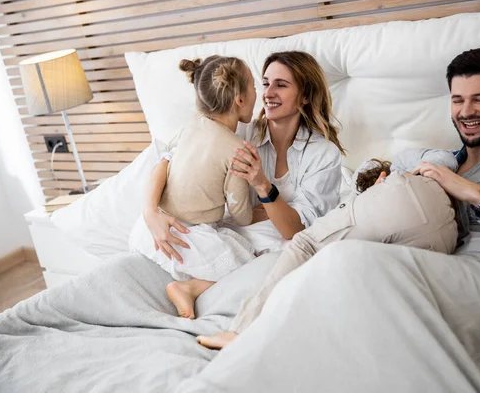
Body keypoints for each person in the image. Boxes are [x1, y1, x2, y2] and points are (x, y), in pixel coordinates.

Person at [195, 48, 480, 388]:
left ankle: (241, 346)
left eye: (479, 99)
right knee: (340, 271)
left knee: (332, 257)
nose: (466, 111)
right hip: (441, 258)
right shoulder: (447, 160)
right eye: (457, 100)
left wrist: (473, 193)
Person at [142, 51, 346, 319]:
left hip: (274, 237)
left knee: (288, 255)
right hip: (221, 229)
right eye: (264, 83)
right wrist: (151, 213)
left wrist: (262, 184)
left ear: (305, 96)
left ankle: (194, 288)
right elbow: (168, 159)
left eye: (281, 85)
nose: (268, 93)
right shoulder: (242, 129)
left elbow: (295, 229)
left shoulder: (323, 155)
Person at [196, 148, 461, 348]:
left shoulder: (399, 172)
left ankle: (240, 331)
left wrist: (413, 173)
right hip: (449, 236)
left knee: (305, 244)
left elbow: (445, 159)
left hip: (409, 196)